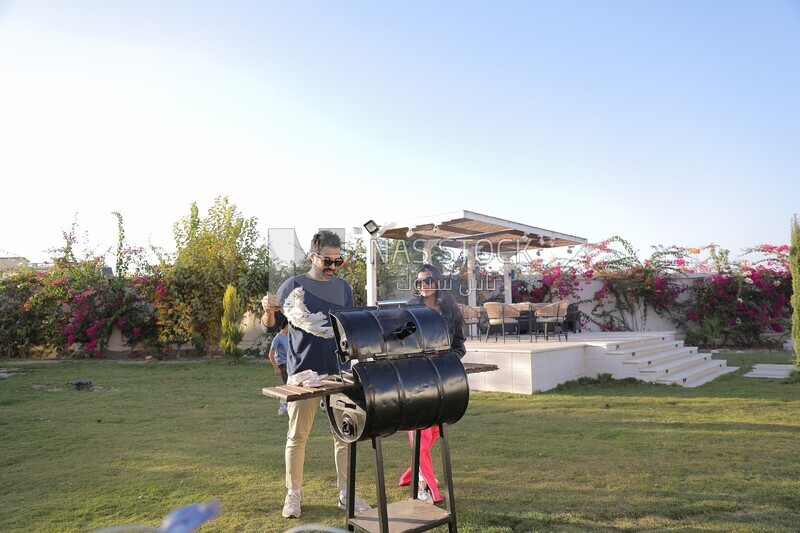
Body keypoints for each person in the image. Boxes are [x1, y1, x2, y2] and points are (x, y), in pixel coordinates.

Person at [261, 230, 371, 519]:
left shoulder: (344, 288)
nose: (333, 266)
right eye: (327, 260)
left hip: (339, 372)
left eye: (339, 261)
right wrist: (268, 311)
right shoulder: (293, 285)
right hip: (303, 372)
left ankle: (347, 494)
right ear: (313, 256)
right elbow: (269, 326)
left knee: (345, 436)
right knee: (298, 436)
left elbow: (350, 329)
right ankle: (293, 495)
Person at [397, 264, 466, 504]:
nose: (423, 286)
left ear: (438, 282)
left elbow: (459, 344)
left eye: (428, 280)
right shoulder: (409, 308)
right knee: (419, 432)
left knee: (435, 429)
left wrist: (448, 360)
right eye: (419, 282)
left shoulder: (450, 310)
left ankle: (414, 471)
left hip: (441, 377)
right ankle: (423, 485)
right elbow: (399, 340)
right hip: (416, 377)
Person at [268, 318, 289, 415]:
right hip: (283, 364)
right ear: (286, 326)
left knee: (290, 385)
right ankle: (283, 406)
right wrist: (276, 368)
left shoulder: (289, 336)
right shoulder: (278, 338)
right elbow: (271, 354)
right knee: (288, 385)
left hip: (290, 364)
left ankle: (287, 405)